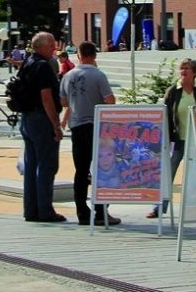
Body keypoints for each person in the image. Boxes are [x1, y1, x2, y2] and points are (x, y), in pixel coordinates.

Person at [60, 41, 120, 226]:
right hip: (96, 126)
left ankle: (82, 212)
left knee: (81, 170)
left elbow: (63, 102)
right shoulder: (98, 75)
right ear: (94, 55)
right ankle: (101, 211)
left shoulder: (68, 76)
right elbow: (110, 100)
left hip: (77, 125)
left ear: (78, 55)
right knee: (102, 168)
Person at [146, 58, 196, 219]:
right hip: (178, 140)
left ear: (194, 72)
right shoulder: (173, 91)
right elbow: (165, 115)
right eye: (182, 68)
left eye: (187, 68)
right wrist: (165, 139)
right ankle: (159, 207)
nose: (183, 71)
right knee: (169, 172)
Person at [13, 32, 67, 223]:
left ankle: (31, 210)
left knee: (32, 166)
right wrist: (56, 125)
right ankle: (45, 210)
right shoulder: (43, 66)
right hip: (41, 119)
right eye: (51, 45)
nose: (55, 49)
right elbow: (46, 97)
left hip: (27, 119)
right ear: (41, 46)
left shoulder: (27, 62)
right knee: (46, 165)